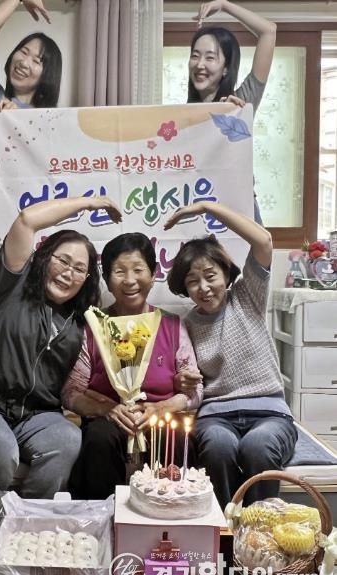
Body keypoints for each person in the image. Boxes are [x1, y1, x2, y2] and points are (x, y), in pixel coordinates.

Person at [0, 195, 121, 575]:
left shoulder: (79, 322)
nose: (69, 273)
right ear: (43, 258)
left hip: (36, 415)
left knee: (67, 439)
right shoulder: (12, 284)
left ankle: (26, 535)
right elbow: (25, 220)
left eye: (80, 269)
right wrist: (92, 201)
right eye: (63, 260)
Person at [165, 202, 297, 511]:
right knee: (217, 447)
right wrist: (183, 380)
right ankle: (224, 527)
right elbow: (187, 380)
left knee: (257, 447)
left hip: (269, 414)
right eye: (192, 281)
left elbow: (263, 241)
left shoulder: (247, 296)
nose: (203, 287)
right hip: (216, 417)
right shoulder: (186, 324)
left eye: (210, 275)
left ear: (226, 274)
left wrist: (205, 207)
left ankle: (259, 527)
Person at [63, 233, 203, 500]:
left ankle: (171, 516)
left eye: (138, 270)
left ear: (153, 274)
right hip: (108, 421)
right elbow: (71, 392)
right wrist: (108, 410)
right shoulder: (93, 327)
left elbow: (195, 393)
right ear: (107, 280)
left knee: (175, 438)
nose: (129, 280)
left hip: (160, 419)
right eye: (119, 272)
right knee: (99, 438)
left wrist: (162, 407)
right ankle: (103, 519)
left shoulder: (172, 326)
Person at [0, 0, 62, 322]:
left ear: (47, 74)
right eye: (23, 51)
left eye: (37, 60)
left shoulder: (52, 122)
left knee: (25, 312)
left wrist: (18, 123)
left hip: (31, 219)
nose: (25, 61)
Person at [188, 0, 277, 223]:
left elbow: (268, 31)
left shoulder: (239, 104)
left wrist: (224, 5)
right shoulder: (182, 117)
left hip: (240, 210)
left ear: (226, 68)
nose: (200, 64)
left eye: (210, 57)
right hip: (197, 210)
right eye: (195, 55)